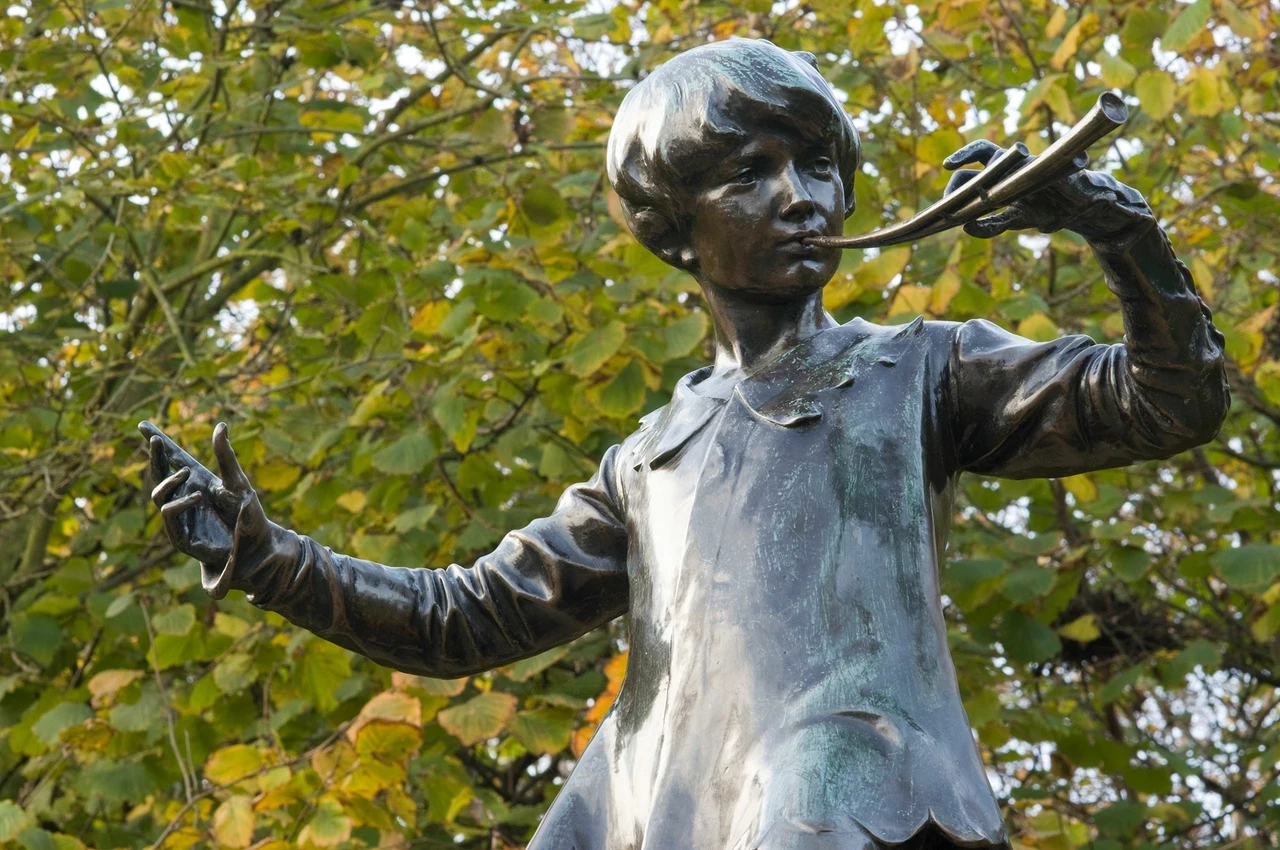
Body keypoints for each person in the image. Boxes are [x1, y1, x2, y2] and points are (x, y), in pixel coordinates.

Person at [140, 38, 1228, 850]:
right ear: (674, 225)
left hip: (850, 778)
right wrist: (273, 561)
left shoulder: (916, 369)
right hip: (665, 789)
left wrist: (1112, 227)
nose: (799, 198)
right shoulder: (648, 459)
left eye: (813, 165)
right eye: (748, 174)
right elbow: (461, 619)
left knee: (813, 787)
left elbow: (1166, 401)